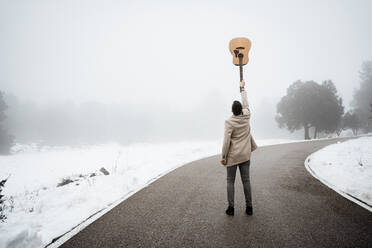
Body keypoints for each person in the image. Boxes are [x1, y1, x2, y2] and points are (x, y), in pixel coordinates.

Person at [221, 80, 257, 216]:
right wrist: (242, 89)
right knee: (246, 181)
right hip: (245, 155)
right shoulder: (247, 115)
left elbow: (226, 142)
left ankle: (231, 208)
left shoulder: (229, 122)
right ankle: (249, 207)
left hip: (233, 156)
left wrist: (223, 157)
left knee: (230, 181)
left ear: (232, 111)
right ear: (241, 109)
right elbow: (246, 103)